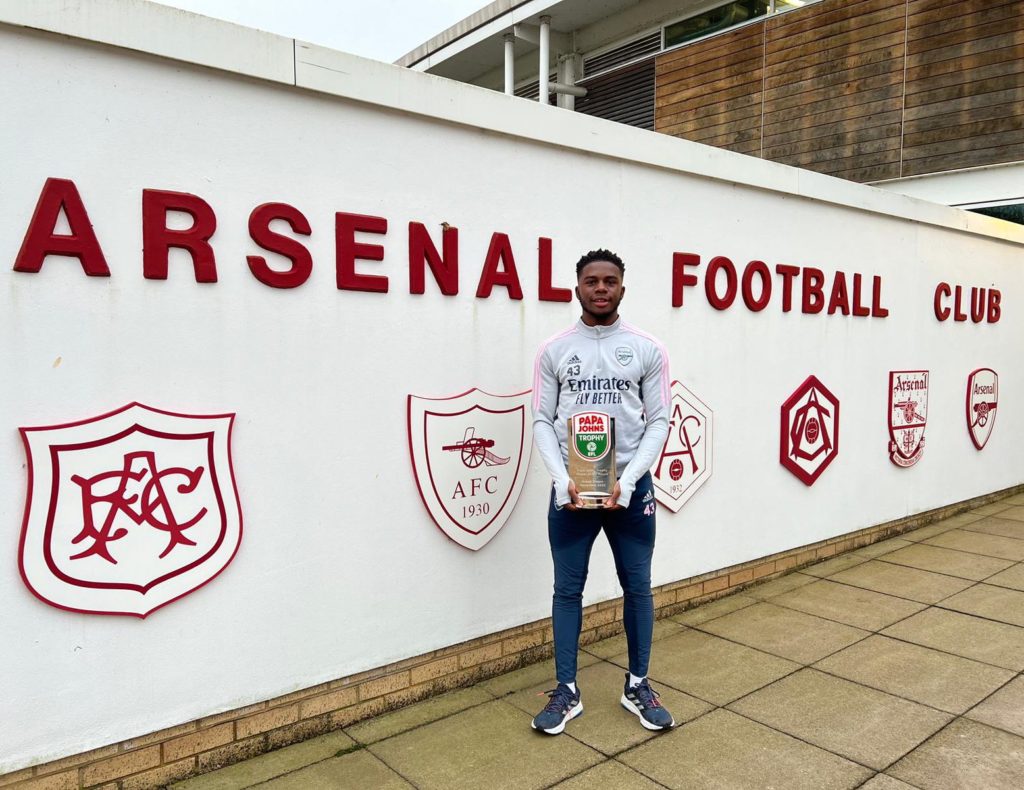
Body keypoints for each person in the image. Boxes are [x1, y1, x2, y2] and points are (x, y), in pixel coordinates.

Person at [530, 248, 674, 735]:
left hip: (629, 493)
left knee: (638, 587)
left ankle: (638, 684)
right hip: (572, 491)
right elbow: (542, 422)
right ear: (577, 287)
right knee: (567, 590)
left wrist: (628, 481)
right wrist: (559, 479)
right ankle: (566, 691)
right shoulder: (554, 350)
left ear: (622, 289)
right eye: (591, 281)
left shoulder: (647, 348)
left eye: (609, 281)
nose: (600, 289)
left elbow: (658, 421)